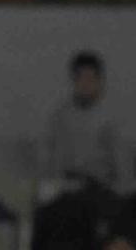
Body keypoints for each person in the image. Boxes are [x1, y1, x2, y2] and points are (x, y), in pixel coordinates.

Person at [45, 50, 119, 187]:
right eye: (81, 79)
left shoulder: (111, 119)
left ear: (99, 82)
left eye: (90, 79)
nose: (85, 85)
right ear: (73, 81)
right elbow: (54, 162)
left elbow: (122, 166)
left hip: (100, 188)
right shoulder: (61, 117)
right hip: (67, 186)